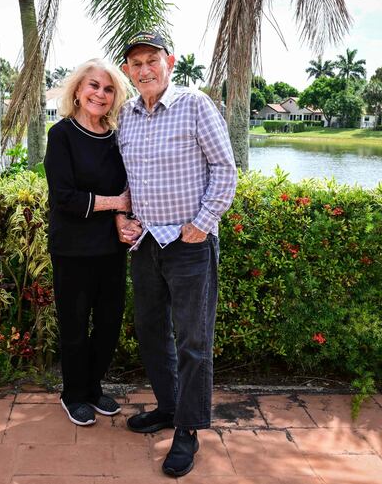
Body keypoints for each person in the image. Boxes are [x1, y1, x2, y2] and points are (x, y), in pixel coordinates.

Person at [116, 31, 237, 477]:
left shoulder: (194, 105)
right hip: (145, 243)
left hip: (190, 245)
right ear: (127, 70)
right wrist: (121, 218)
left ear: (170, 61)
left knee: (193, 341)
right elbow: (124, 179)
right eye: (135, 63)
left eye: (151, 60)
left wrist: (201, 225)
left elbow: (225, 170)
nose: (144, 69)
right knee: (151, 332)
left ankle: (187, 430)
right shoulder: (126, 115)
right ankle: (168, 408)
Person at [44, 58, 138, 426]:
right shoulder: (61, 134)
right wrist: (116, 204)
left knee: (109, 323)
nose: (100, 94)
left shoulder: (116, 136)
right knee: (74, 323)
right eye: (94, 86)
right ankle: (73, 394)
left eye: (109, 88)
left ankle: (94, 387)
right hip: (72, 249)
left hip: (112, 248)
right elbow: (64, 198)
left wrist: (120, 217)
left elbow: (121, 185)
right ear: (78, 91)